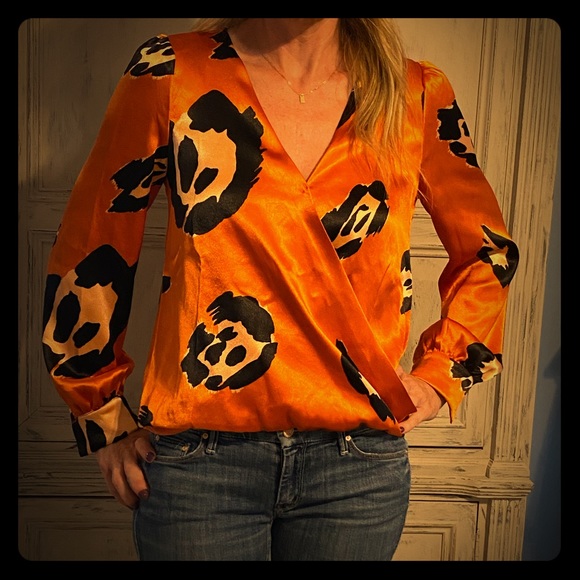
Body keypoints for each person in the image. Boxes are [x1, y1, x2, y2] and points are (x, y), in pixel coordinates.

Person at [41, 18, 519, 561]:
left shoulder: (414, 93)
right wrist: (101, 413)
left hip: (357, 468)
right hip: (200, 466)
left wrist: (441, 375)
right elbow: (91, 239)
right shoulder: (172, 72)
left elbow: (490, 251)